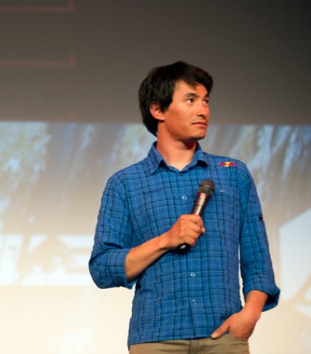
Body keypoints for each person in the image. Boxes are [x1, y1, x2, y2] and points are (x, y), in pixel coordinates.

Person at [88, 61, 280, 353]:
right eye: (190, 100)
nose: (203, 110)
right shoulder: (126, 183)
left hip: (223, 335)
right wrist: (167, 240)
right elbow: (103, 268)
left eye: (205, 101)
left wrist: (250, 313)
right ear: (158, 110)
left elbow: (257, 257)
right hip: (156, 335)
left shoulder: (233, 174)